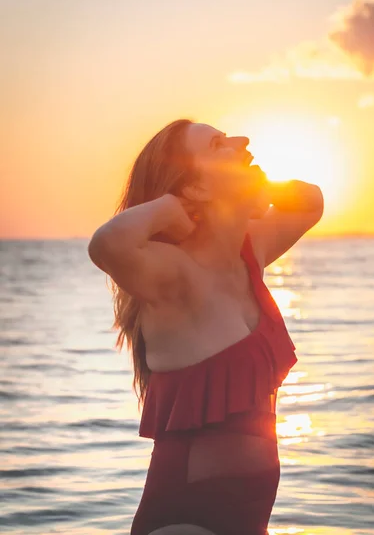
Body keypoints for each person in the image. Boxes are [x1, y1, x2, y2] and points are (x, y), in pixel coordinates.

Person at [88, 119, 324, 535]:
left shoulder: (252, 249)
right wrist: (168, 207)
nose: (242, 140)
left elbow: (310, 201)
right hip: (185, 524)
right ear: (195, 188)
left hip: (247, 523)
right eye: (219, 144)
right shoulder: (174, 275)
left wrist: (258, 187)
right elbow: (107, 244)